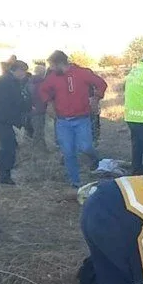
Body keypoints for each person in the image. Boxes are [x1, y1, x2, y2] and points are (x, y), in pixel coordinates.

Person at [38, 50, 107, 188]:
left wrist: (96, 98)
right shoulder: (53, 77)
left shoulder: (82, 73)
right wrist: (49, 103)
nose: (50, 68)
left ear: (60, 63)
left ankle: (95, 159)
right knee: (68, 152)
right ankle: (75, 182)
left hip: (81, 119)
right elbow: (43, 90)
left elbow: (101, 84)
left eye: (52, 65)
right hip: (63, 121)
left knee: (85, 146)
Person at [0, 60, 30, 185]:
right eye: (23, 71)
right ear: (17, 70)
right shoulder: (9, 82)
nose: (24, 74)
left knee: (10, 145)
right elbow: (15, 101)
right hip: (1, 119)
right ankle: (4, 176)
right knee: (9, 147)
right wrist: (28, 106)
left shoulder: (4, 80)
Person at [27, 63, 48, 149]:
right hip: (39, 109)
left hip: (30, 109)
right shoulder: (42, 83)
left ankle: (34, 147)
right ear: (42, 72)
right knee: (39, 131)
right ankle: (39, 149)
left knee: (32, 130)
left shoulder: (29, 81)